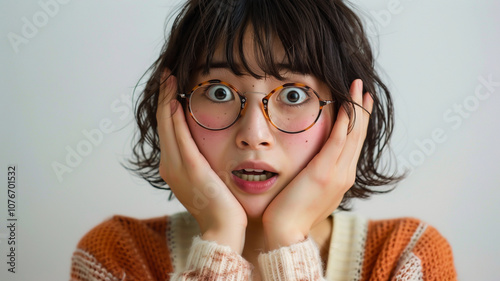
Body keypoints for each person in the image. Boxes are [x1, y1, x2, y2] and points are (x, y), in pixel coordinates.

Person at [70, 0, 457, 280]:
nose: (253, 136)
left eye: (293, 95)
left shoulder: (408, 258)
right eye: (219, 92)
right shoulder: (118, 257)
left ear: (346, 116)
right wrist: (219, 242)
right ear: (172, 107)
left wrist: (288, 240)